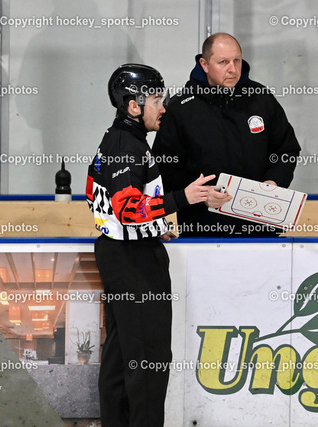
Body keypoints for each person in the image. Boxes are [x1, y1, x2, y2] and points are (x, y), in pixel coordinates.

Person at [86, 64, 214, 426]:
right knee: (149, 360)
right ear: (133, 106)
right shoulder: (127, 145)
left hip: (123, 254)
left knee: (121, 355)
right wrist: (182, 198)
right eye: (156, 99)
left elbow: (116, 207)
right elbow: (127, 209)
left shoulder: (121, 139)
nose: (163, 107)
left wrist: (153, 226)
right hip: (133, 262)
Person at [153, 32, 301, 237]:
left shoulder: (261, 99)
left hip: (261, 228)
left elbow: (286, 150)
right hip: (204, 230)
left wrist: (273, 183)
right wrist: (201, 195)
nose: (232, 69)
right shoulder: (181, 108)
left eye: (237, 60)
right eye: (223, 62)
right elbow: (164, 167)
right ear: (204, 64)